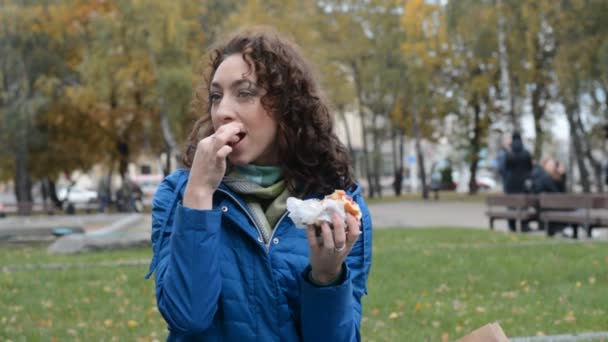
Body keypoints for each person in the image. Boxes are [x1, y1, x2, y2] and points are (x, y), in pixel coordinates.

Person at [146, 27, 372, 341]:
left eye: (245, 92)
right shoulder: (178, 195)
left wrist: (326, 276)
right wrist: (198, 195)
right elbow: (187, 318)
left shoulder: (338, 207)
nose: (222, 111)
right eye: (216, 96)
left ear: (286, 105)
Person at [504, 132, 532, 231]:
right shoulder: (526, 153)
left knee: (511, 205)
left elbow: (506, 168)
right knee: (523, 205)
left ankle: (512, 226)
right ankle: (524, 225)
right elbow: (530, 168)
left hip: (511, 184)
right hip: (523, 183)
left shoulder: (509, 154)